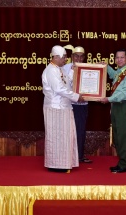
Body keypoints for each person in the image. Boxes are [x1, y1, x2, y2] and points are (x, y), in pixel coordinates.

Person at [42, 45, 84, 173]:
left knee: (65, 137)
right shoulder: (50, 70)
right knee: (56, 137)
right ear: (56, 57)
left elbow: (68, 81)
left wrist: (74, 70)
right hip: (55, 108)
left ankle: (64, 163)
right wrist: (77, 97)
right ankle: (55, 165)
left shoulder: (60, 69)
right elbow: (59, 89)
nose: (66, 59)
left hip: (64, 108)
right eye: (64, 57)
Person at [100, 49, 126, 173]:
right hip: (116, 106)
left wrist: (108, 99)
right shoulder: (120, 72)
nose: (119, 60)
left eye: (122, 57)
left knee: (124, 136)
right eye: (117, 57)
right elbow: (112, 75)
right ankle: (122, 162)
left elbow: (124, 93)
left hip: (124, 106)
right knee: (117, 135)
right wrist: (106, 66)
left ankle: (125, 164)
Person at [63, 45, 92, 163]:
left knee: (80, 130)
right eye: (76, 56)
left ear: (84, 57)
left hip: (82, 105)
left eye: (81, 57)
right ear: (72, 56)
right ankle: (67, 157)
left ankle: (79, 156)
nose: (79, 59)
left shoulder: (89, 68)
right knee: (67, 131)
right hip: (68, 105)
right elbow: (63, 86)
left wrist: (101, 68)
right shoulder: (64, 68)